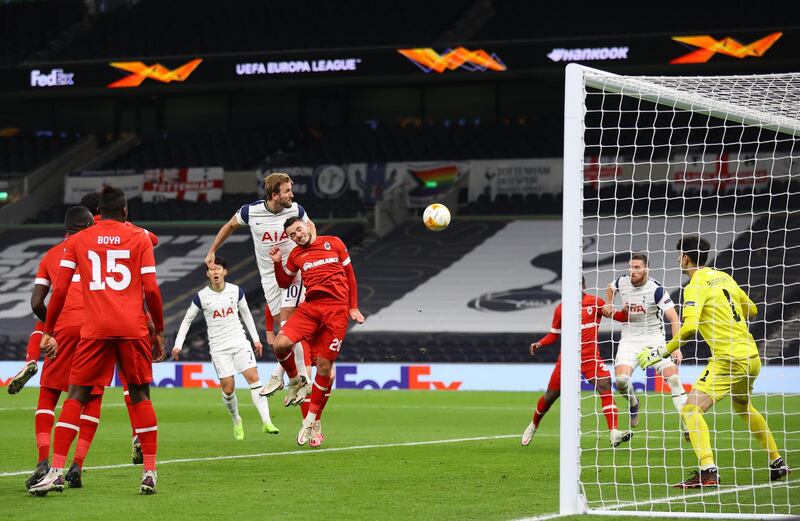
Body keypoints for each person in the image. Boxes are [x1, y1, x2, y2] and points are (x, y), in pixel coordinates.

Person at [28, 185, 165, 496]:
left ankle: (57, 470)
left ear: (96, 212)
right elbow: (152, 290)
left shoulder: (78, 240)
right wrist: (159, 329)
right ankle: (150, 472)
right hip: (132, 327)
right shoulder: (140, 237)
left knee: (76, 394)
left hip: (95, 328)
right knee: (139, 393)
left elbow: (59, 291)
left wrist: (48, 331)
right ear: (125, 210)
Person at [638, 235, 790, 488]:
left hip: (728, 359)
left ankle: (708, 471)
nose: (678, 260)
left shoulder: (695, 285)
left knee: (690, 410)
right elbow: (751, 308)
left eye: (679, 256)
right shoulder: (724, 277)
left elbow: (688, 329)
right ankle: (777, 461)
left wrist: (661, 352)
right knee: (743, 407)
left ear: (685, 258)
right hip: (751, 356)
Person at [204, 172, 314, 405]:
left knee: (288, 328)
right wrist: (212, 250)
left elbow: (310, 227)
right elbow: (230, 226)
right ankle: (291, 378)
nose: (291, 195)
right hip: (269, 278)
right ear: (274, 195)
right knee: (285, 332)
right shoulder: (249, 211)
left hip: (293, 274)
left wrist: (311, 252)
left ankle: (296, 379)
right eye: (287, 191)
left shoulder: (296, 210)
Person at [20, 206, 104, 490]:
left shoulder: (52, 255)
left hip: (65, 327)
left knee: (49, 394)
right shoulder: (101, 254)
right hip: (98, 328)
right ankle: (76, 464)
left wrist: (51, 329)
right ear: (89, 225)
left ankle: (44, 460)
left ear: (66, 229)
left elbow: (35, 304)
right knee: (90, 398)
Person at [268, 217, 364, 447]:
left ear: (308, 226)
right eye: (292, 235)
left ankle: (311, 421)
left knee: (324, 369)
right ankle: (294, 382)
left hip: (336, 311)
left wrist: (353, 307)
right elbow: (284, 282)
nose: (297, 236)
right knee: (280, 344)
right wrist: (276, 262)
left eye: (299, 230)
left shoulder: (334, 243)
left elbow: (350, 275)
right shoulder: (295, 255)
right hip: (310, 309)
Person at [171, 254, 279, 438]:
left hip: (239, 342)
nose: (215, 272)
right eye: (212, 269)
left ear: (225, 271)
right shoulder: (201, 297)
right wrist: (178, 345)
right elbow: (187, 320)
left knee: (254, 378)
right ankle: (237, 419)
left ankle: (267, 421)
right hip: (219, 348)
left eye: (218, 268)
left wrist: (256, 339)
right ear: (208, 274)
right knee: (228, 389)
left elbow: (246, 315)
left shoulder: (236, 291)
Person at [522, 277, 632, 448]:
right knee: (550, 396)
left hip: (590, 358)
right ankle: (534, 424)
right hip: (567, 360)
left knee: (604, 385)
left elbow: (618, 316)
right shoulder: (561, 309)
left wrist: (625, 311)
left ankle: (614, 432)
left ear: (584, 286)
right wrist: (540, 343)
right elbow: (554, 334)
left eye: (579, 285)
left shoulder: (595, 302)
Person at [603, 253, 686, 433]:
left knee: (673, 379)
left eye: (637, 268)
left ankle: (688, 425)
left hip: (654, 339)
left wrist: (676, 347)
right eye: (631, 267)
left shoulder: (656, 289)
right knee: (621, 380)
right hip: (630, 338)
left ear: (646, 269)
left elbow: (674, 318)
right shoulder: (622, 281)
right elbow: (610, 288)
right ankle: (634, 403)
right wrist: (609, 303)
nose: (632, 271)